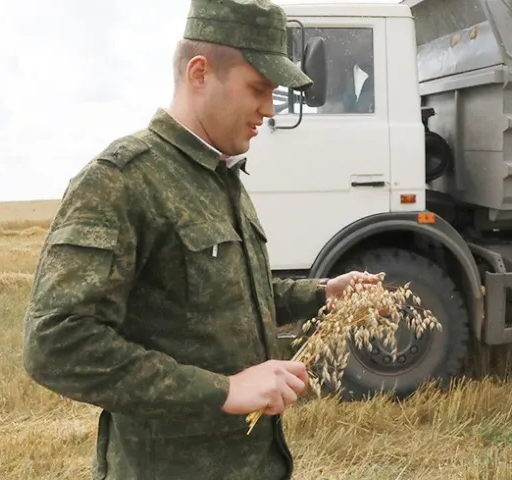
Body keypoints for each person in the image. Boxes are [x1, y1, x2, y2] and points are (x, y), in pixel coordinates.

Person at [21, 0, 379, 479]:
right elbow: (56, 342)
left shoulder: (221, 175)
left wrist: (320, 295)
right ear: (199, 73)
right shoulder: (122, 180)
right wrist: (224, 391)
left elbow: (225, 298)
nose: (269, 110)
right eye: (258, 89)